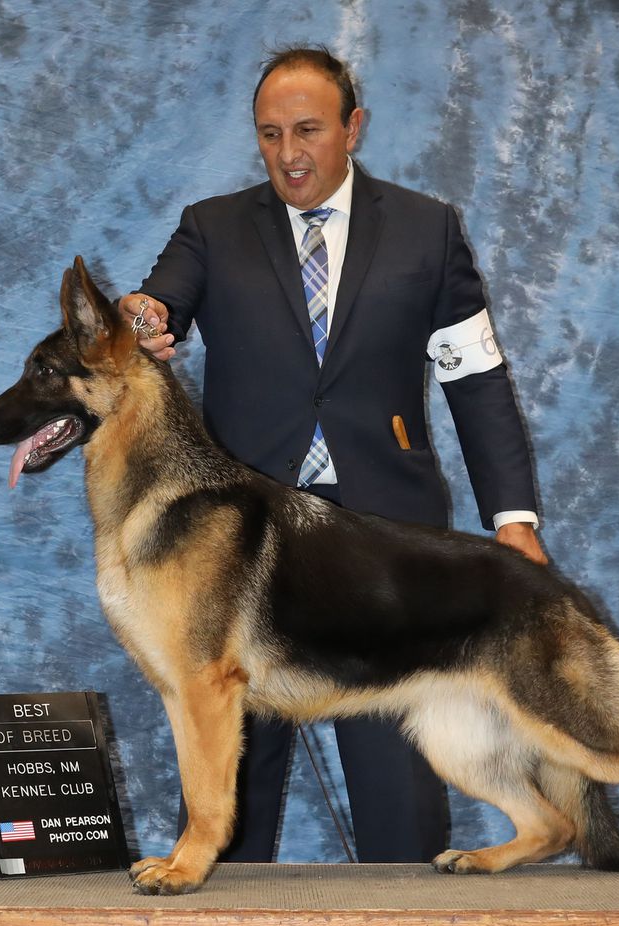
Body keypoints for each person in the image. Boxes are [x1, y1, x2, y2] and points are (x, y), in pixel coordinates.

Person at [120, 47, 547, 864]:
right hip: (242, 548)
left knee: (402, 793)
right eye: (270, 133)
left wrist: (514, 518)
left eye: (308, 130)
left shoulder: (430, 229)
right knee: (228, 787)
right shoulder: (211, 226)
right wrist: (146, 314)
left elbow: (477, 380)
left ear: (353, 128)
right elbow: (160, 298)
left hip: (386, 545)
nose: (288, 153)